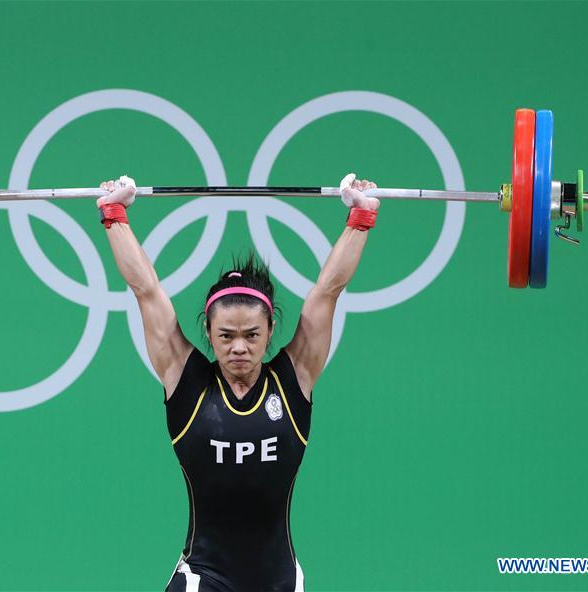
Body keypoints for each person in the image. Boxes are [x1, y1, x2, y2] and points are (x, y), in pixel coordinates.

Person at [96, 173, 379, 592]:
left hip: (279, 581)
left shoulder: (294, 378)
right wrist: (114, 215)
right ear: (209, 334)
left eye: (251, 335)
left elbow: (328, 291)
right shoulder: (187, 383)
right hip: (204, 578)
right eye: (226, 336)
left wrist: (361, 217)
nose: (239, 347)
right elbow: (145, 290)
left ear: (270, 331)